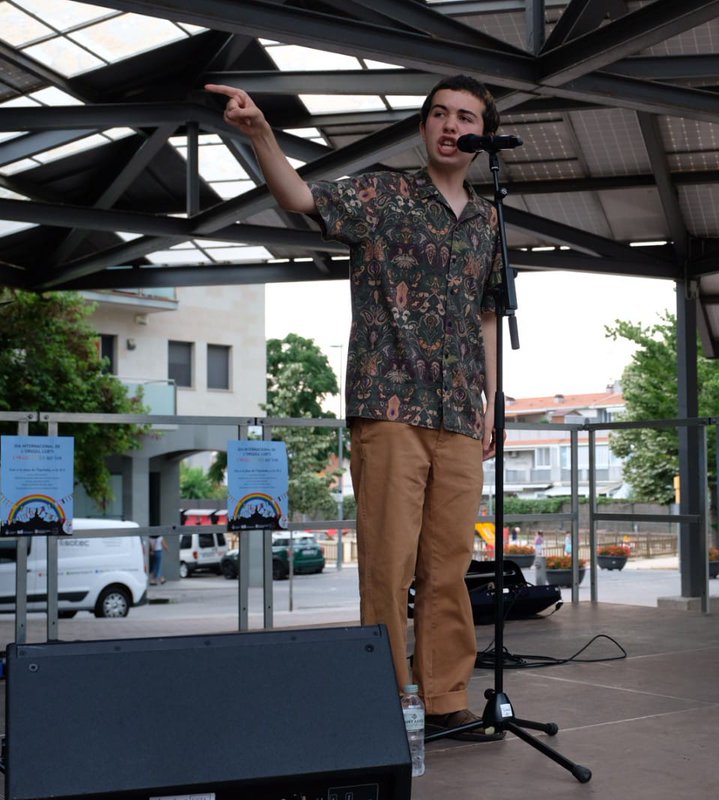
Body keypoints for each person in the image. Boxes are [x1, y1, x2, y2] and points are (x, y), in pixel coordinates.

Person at [207, 75, 504, 741]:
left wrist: (495, 400)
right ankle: (384, 700)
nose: (450, 125)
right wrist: (261, 135)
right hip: (388, 402)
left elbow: (488, 315)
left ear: (484, 134)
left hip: (460, 412)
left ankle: (444, 698)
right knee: (388, 562)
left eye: (464, 116)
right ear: (423, 127)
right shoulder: (382, 192)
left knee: (449, 565)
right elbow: (301, 197)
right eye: (438, 114)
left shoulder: (489, 221)